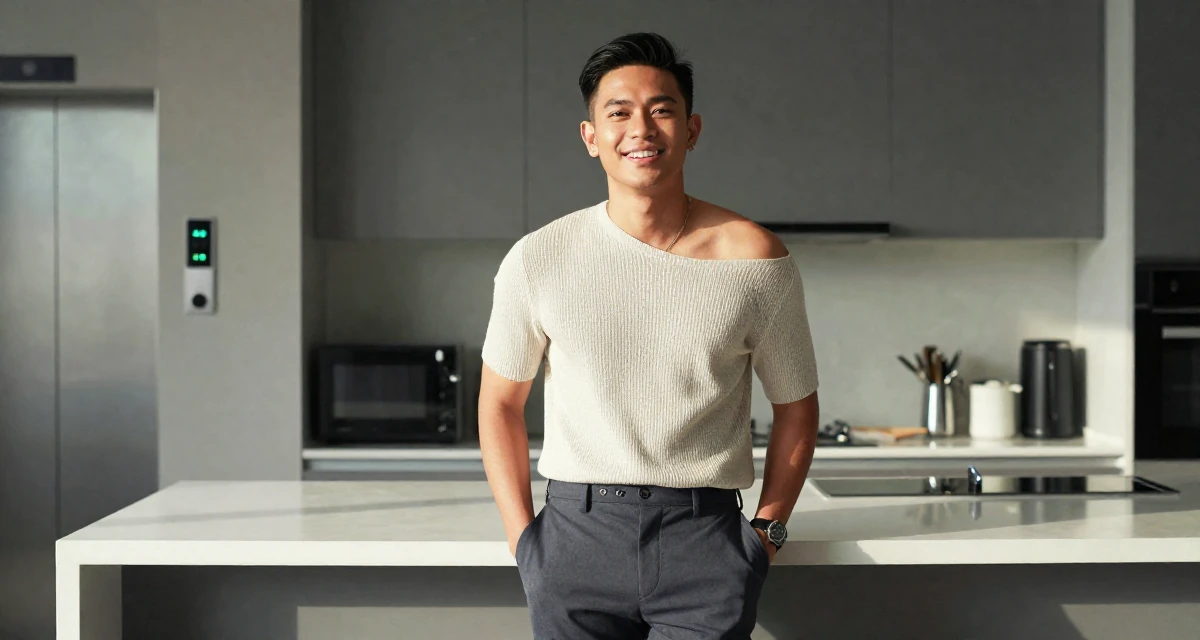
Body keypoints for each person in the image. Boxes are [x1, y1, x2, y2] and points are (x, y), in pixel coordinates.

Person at [478, 31, 820, 639]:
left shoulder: (756, 259)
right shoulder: (539, 259)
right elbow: (499, 402)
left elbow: (796, 407)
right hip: (574, 538)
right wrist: (524, 542)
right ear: (591, 138)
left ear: (691, 130)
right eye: (619, 113)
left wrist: (765, 535)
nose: (642, 128)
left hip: (706, 540)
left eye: (662, 109)